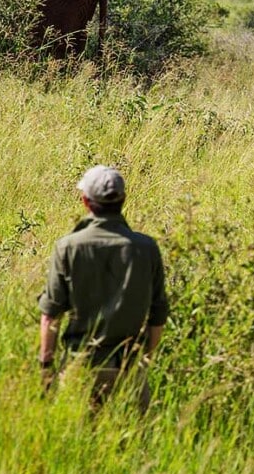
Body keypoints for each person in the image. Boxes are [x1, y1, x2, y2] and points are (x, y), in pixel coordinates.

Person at [38, 165, 167, 409]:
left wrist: (46, 368)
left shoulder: (68, 247)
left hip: (81, 367)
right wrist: (143, 359)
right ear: (123, 200)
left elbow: (50, 316)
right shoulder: (146, 248)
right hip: (128, 369)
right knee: (134, 443)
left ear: (86, 201)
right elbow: (158, 315)